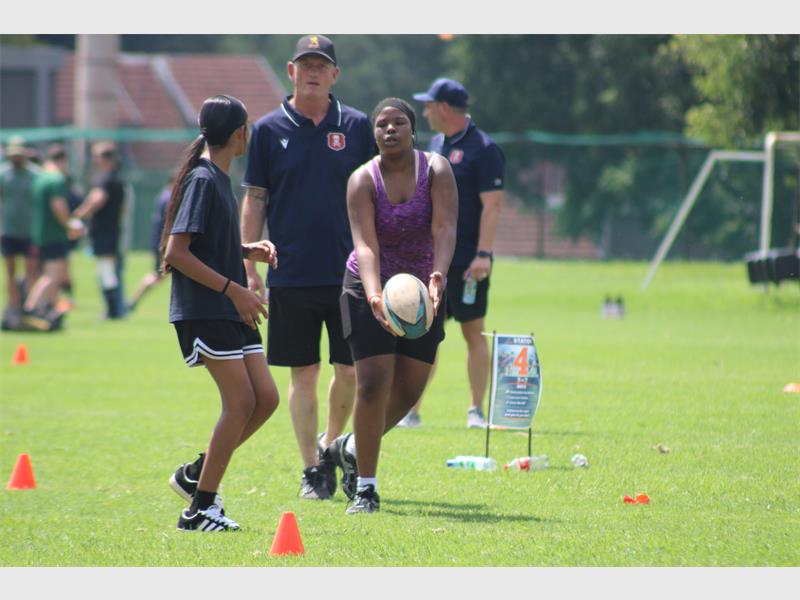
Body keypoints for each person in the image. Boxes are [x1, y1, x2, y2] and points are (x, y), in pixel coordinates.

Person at [241, 34, 374, 500]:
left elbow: (375, 196)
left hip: (351, 272)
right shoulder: (267, 129)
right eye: (306, 64)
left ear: (335, 74)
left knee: (350, 370)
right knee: (303, 373)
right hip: (290, 270)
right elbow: (255, 198)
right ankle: (312, 469)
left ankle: (331, 445)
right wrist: (249, 263)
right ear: (291, 70)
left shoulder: (357, 126)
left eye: (321, 65)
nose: (313, 72)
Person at [327, 97, 457, 514]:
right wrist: (374, 295)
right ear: (374, 134)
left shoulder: (436, 169)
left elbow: (445, 227)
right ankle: (366, 488)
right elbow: (365, 245)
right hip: (369, 286)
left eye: (398, 122)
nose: (389, 129)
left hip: (424, 289)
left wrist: (438, 275)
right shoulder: (362, 180)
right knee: (372, 384)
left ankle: (350, 446)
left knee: (410, 389)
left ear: (412, 130)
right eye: (382, 124)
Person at [162, 94, 280, 532]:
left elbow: (208, 243)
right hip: (208, 307)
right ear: (238, 134)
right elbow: (176, 253)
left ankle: (196, 474)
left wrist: (246, 250)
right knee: (241, 402)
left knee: (265, 399)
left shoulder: (218, 178)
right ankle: (200, 509)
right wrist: (235, 290)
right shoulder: (202, 179)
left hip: (230, 306)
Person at [399, 78, 505, 429]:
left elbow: (492, 207)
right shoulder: (435, 145)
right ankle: (410, 410)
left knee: (473, 333)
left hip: (468, 263)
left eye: (429, 105)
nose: (425, 111)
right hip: (432, 262)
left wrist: (483, 254)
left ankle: (476, 411)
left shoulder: (484, 148)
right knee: (423, 334)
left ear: (444, 107)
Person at [23, 144, 85, 331]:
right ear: (63, 161)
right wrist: (70, 226)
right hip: (54, 234)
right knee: (52, 276)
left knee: (51, 275)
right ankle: (31, 309)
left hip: (41, 234)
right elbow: (58, 207)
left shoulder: (39, 177)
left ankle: (45, 312)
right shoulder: (56, 179)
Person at [73, 141, 128, 319]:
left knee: (106, 269)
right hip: (111, 230)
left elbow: (97, 200)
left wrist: (79, 215)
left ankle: (113, 309)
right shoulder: (116, 179)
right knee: (108, 269)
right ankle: (114, 308)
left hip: (105, 231)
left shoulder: (107, 180)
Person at [0, 137, 40, 330]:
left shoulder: (35, 175)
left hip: (29, 231)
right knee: (10, 271)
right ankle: (13, 307)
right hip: (8, 230)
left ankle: (29, 308)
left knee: (31, 271)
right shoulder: (3, 174)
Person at [127, 173, 174, 312]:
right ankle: (132, 302)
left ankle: (132, 302)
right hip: (164, 244)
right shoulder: (169, 198)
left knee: (159, 275)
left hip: (160, 243)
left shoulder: (163, 196)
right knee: (158, 275)